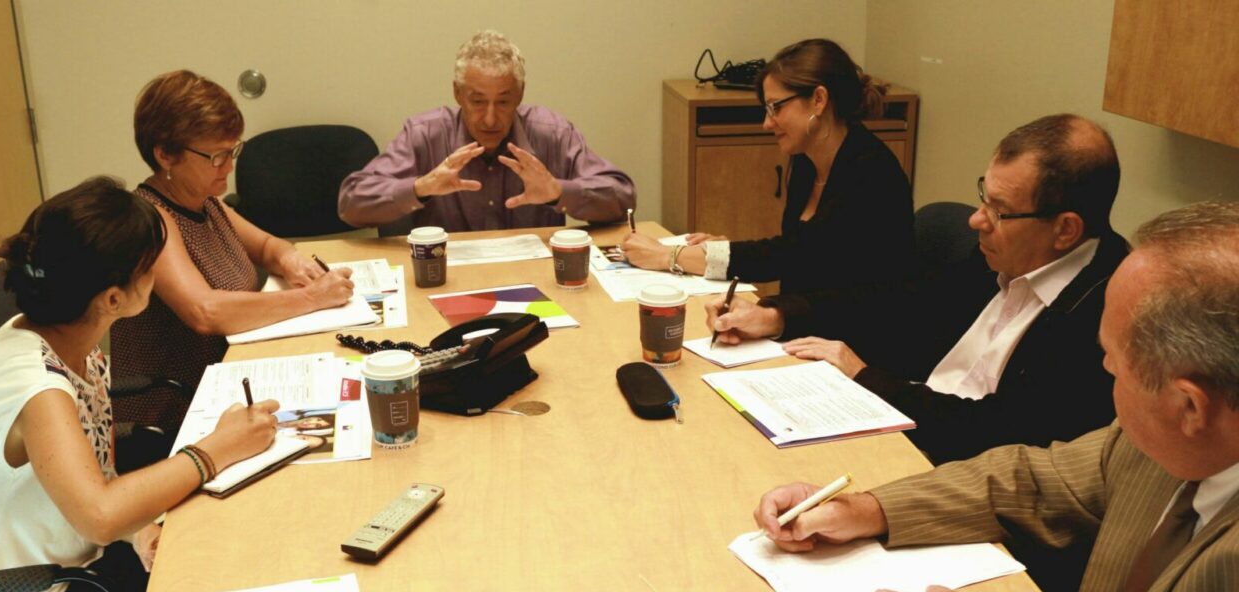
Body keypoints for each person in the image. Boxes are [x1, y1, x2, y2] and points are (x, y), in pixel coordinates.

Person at [753, 201, 1239, 592]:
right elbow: (1029, 479)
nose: (1104, 376)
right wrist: (866, 510)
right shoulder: (1166, 444)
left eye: (1112, 365)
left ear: (1190, 406)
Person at [0, 177, 280, 592]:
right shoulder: (37, 386)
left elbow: (94, 480)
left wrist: (140, 527)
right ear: (113, 298)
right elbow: (100, 513)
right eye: (150, 269)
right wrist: (214, 452)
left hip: (77, 573)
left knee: (230, 554)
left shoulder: (65, 338)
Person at [711, 114, 1125, 464]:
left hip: (958, 473)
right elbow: (900, 305)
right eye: (984, 198)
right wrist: (778, 315)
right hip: (912, 426)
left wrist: (865, 378)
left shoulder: (1103, 316)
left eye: (999, 212)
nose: (976, 221)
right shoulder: (1003, 258)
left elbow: (995, 436)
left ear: (1065, 229)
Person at [111, 70, 354, 435]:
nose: (229, 165)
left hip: (231, 378)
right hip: (177, 411)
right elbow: (204, 312)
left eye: (233, 150)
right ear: (165, 155)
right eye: (216, 156)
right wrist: (313, 298)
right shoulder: (149, 221)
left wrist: (291, 261)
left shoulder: (207, 203)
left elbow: (269, 246)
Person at [621, 38, 914, 294]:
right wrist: (719, 251)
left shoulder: (871, 174)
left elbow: (792, 257)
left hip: (854, 341)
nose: (766, 123)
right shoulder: (806, 161)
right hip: (808, 324)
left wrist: (671, 257)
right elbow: (795, 252)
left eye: (777, 107)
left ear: (819, 100)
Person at [338, 30, 635, 233]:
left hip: (534, 281)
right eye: (478, 101)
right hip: (446, 282)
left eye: (503, 101)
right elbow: (351, 205)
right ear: (457, 94)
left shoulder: (552, 134)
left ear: (519, 95)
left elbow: (623, 197)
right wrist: (421, 188)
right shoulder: (424, 135)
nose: (490, 119)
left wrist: (558, 192)